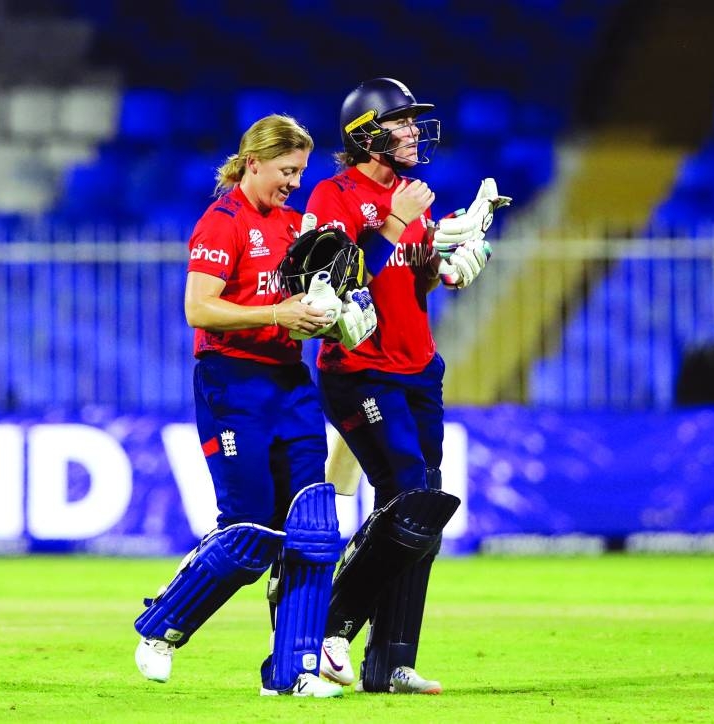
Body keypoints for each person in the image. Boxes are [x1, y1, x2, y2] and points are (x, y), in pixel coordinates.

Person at [131, 114, 375, 698]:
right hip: (232, 384)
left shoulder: (297, 228)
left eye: (301, 172)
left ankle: (292, 674)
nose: (294, 182)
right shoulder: (222, 223)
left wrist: (335, 317)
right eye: (287, 171)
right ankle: (162, 625)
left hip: (290, 382)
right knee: (250, 531)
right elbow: (199, 309)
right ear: (254, 162)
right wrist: (276, 314)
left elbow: (316, 301)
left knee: (315, 526)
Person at [304, 78, 505, 694]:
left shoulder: (408, 197)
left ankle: (389, 661)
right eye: (402, 122)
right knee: (411, 492)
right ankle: (332, 627)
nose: (415, 130)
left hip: (419, 366)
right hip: (360, 369)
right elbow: (332, 274)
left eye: (415, 121)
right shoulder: (334, 194)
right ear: (367, 135)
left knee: (425, 510)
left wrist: (451, 266)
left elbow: (406, 281)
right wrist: (397, 222)